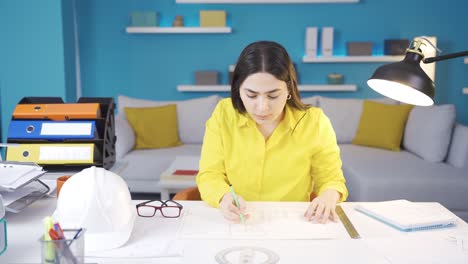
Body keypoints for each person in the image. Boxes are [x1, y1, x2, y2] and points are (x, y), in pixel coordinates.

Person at [196, 41, 348, 224]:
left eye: (273, 95)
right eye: (251, 95)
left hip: (294, 223)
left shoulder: (315, 122)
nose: (262, 107)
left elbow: (332, 179)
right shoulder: (223, 114)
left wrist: (329, 197)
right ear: (238, 89)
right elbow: (209, 174)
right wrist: (223, 197)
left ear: (289, 89)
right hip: (238, 222)